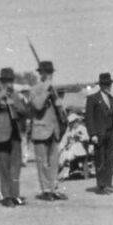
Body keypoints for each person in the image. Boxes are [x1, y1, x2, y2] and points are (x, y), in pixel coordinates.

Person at [0, 67, 30, 207]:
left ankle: (15, 195)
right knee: (4, 167)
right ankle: (6, 196)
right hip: (1, 135)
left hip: (15, 135)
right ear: (1, 81)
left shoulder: (16, 95)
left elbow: (25, 111)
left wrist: (14, 104)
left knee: (15, 167)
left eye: (11, 81)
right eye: (6, 81)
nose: (9, 83)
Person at [29, 61, 68, 201]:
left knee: (54, 162)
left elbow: (59, 111)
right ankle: (46, 190)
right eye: (47, 73)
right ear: (41, 74)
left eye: (51, 73)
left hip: (54, 130)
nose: (50, 75)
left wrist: (59, 105)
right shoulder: (35, 89)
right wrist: (46, 90)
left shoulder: (54, 90)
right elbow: (38, 105)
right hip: (40, 130)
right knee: (43, 162)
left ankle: (54, 189)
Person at [85, 72, 113, 195]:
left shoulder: (111, 98)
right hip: (99, 134)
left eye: (109, 84)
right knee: (100, 160)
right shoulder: (92, 98)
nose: (108, 86)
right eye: (106, 84)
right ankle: (101, 186)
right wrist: (92, 134)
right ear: (101, 85)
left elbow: (112, 117)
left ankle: (108, 184)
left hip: (110, 133)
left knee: (110, 159)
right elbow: (88, 118)